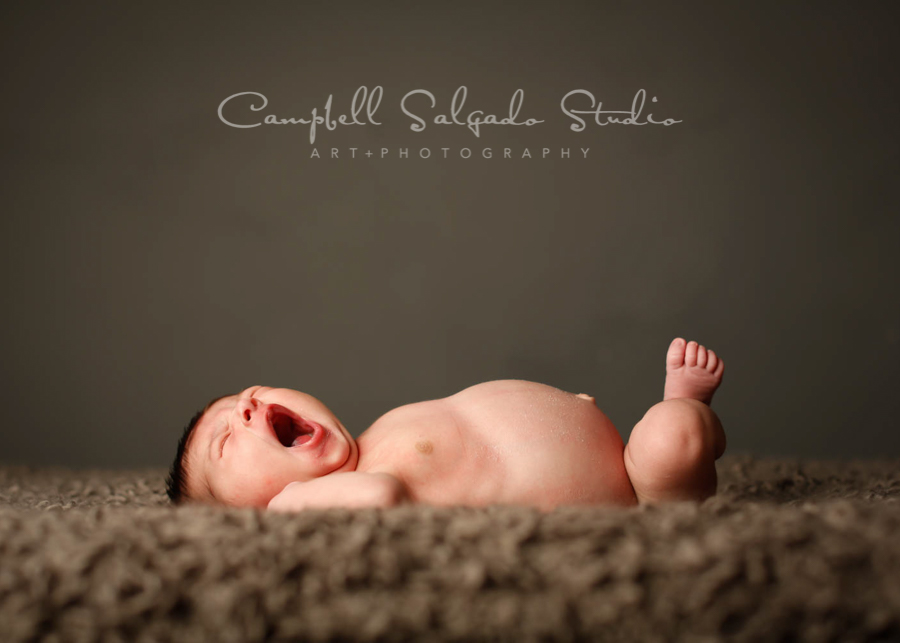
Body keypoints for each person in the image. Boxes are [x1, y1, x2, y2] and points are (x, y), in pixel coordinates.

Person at [166, 338, 726, 512]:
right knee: (673, 437)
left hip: (609, 442)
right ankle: (685, 430)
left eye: (253, 394)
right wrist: (284, 508)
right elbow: (380, 495)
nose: (247, 405)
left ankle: (687, 413)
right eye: (225, 439)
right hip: (637, 494)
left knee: (669, 431)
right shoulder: (370, 485)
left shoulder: (378, 434)